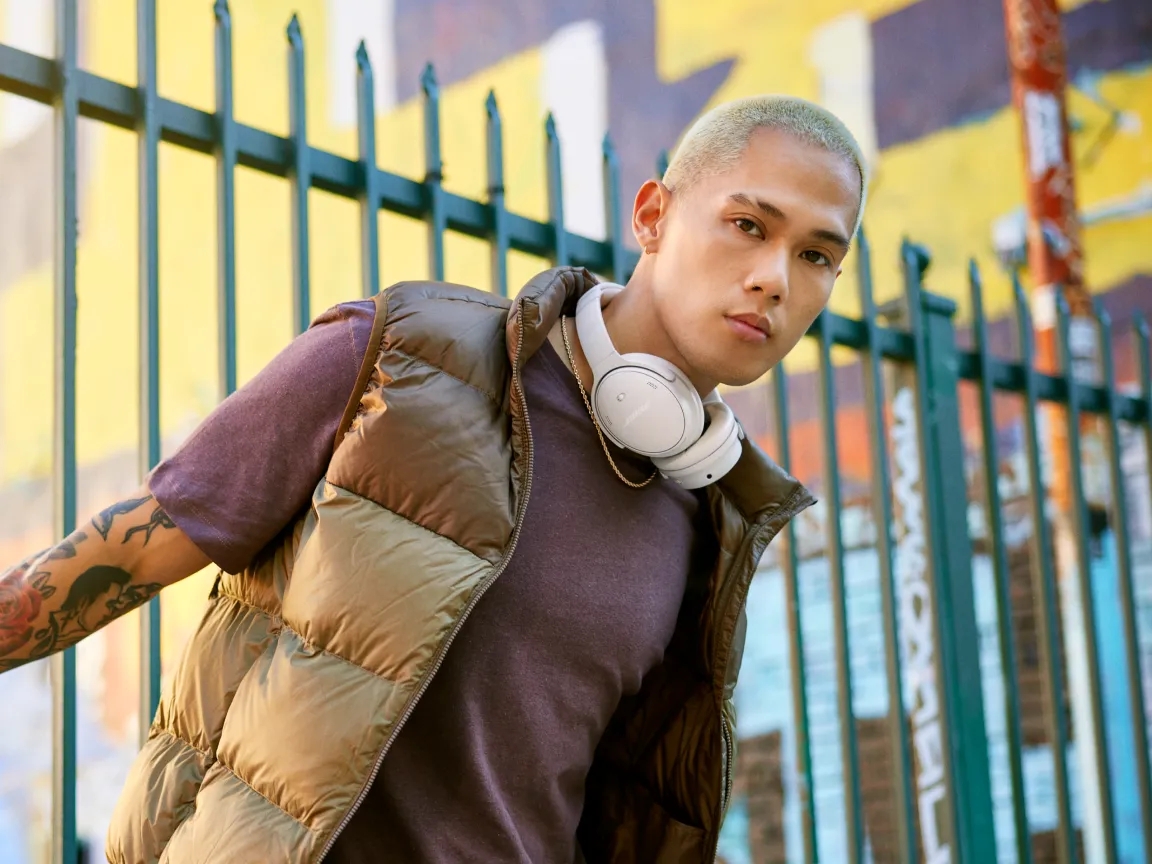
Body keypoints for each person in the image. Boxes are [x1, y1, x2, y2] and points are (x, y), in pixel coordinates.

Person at [0, 94, 865, 863]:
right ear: (651, 215)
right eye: (749, 224)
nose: (773, 279)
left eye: (819, 256)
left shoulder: (716, 520)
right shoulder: (402, 362)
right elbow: (130, 551)